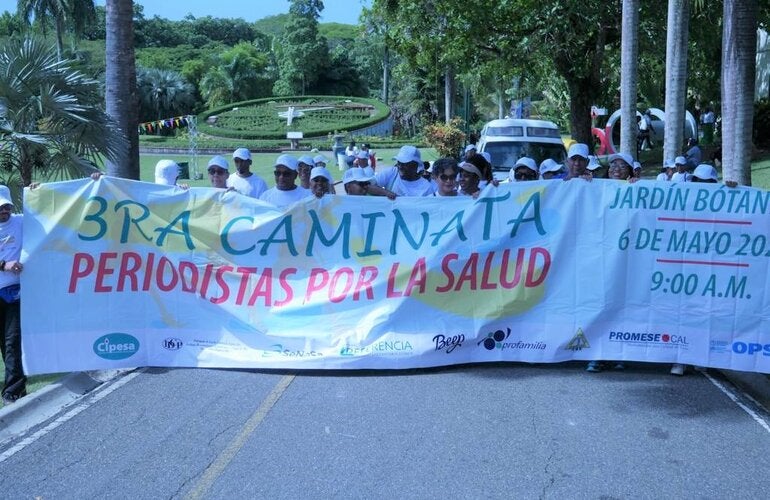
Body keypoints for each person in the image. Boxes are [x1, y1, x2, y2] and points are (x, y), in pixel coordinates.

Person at [0, 185, 25, 405]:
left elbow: (54, 216)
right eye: (0, 208)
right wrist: (3, 264)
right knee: (5, 341)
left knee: (12, 340)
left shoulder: (21, 222)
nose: (3, 211)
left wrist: (39, 191)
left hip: (14, 292)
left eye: (6, 206)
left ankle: (13, 390)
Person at [368, 145, 434, 198]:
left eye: (405, 164)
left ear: (415, 165)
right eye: (399, 163)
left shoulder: (427, 188)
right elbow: (367, 186)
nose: (400, 167)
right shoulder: (392, 172)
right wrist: (386, 193)